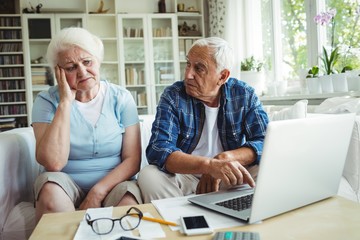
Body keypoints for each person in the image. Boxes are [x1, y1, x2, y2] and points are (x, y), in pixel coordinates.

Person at [137, 37, 269, 203]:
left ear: (222, 76)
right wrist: (209, 166)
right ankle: (181, 221)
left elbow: (265, 141)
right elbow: (159, 149)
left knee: (267, 168)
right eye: (188, 64)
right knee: (149, 176)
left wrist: (223, 159)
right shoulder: (174, 95)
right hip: (186, 178)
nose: (188, 74)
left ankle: (240, 212)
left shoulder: (244, 94)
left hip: (228, 176)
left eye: (199, 68)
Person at [32, 27, 142, 222]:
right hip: (64, 184)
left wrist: (97, 193)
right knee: (50, 195)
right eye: (70, 67)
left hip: (113, 184)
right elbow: (53, 163)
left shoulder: (121, 98)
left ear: (98, 60)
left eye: (87, 62)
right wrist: (65, 102)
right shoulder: (46, 101)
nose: (82, 72)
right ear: (58, 71)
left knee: (128, 204)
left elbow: (133, 160)